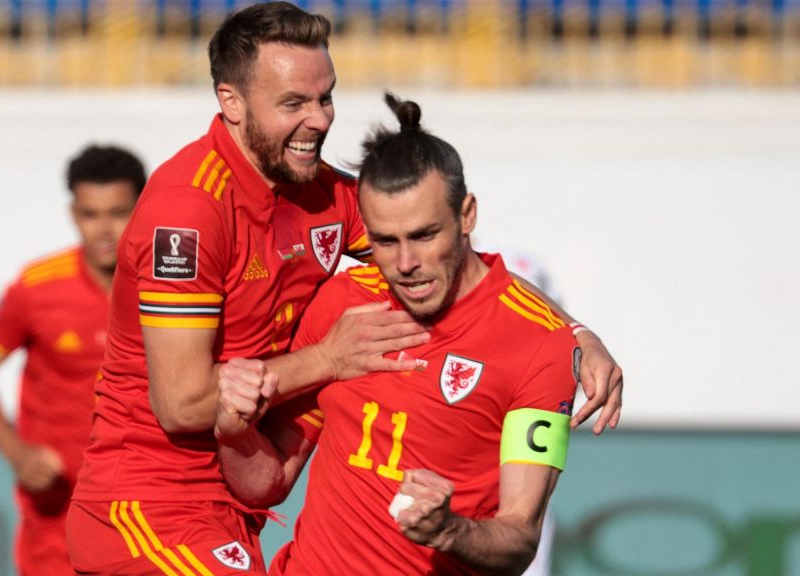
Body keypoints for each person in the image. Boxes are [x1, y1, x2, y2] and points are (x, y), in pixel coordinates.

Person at [67, 3, 622, 575]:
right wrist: (327, 360)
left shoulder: (323, 194)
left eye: (325, 97)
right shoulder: (189, 211)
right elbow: (182, 405)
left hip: (230, 510)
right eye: (293, 104)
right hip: (147, 503)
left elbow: (458, 262)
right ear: (231, 102)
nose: (318, 120)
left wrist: (574, 332)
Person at [215, 95, 580, 575]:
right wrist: (234, 430)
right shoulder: (343, 302)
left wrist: (449, 529)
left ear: (467, 215)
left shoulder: (542, 346)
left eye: (424, 236)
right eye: (385, 241)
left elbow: (520, 537)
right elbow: (269, 481)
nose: (405, 263)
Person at [0, 144, 146, 576]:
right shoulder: (36, 289)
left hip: (145, 505)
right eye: (90, 214)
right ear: (73, 213)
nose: (104, 229)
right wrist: (17, 454)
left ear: (143, 209)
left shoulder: (174, 286)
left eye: (118, 213)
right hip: (59, 511)